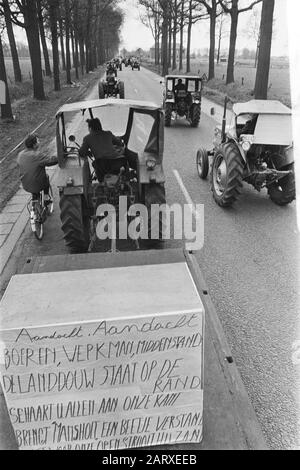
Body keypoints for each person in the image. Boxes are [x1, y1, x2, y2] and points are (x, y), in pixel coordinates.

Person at [17, 134, 58, 202]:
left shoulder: (20, 154)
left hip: (25, 184)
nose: (39, 142)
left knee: (31, 179)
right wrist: (59, 157)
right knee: (46, 177)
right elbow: (51, 161)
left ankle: (35, 197)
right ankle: (46, 196)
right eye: (38, 141)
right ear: (34, 144)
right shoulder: (37, 155)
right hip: (38, 184)